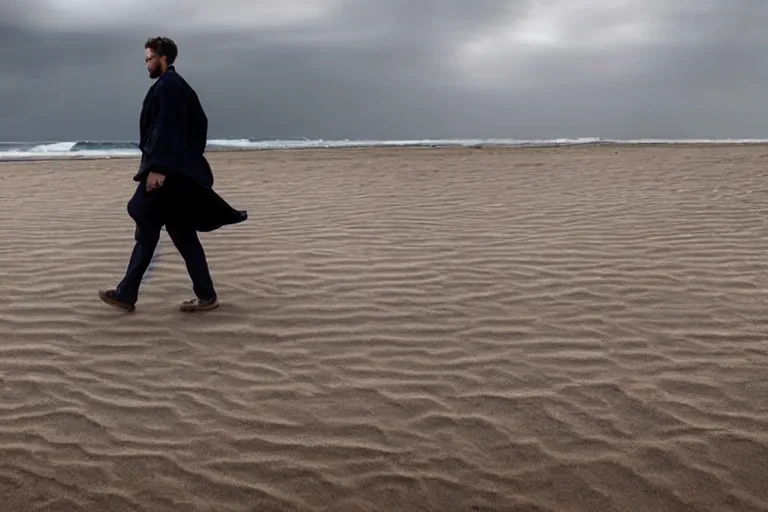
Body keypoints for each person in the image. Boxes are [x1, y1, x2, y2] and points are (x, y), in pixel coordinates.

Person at [99, 36, 247, 313]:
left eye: (149, 58)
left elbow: (165, 129)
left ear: (163, 57)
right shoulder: (177, 87)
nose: (147, 64)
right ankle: (205, 295)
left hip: (165, 174)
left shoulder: (169, 87)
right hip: (177, 174)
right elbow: (196, 127)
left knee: (144, 217)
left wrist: (159, 168)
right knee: (181, 233)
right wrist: (184, 161)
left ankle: (126, 294)